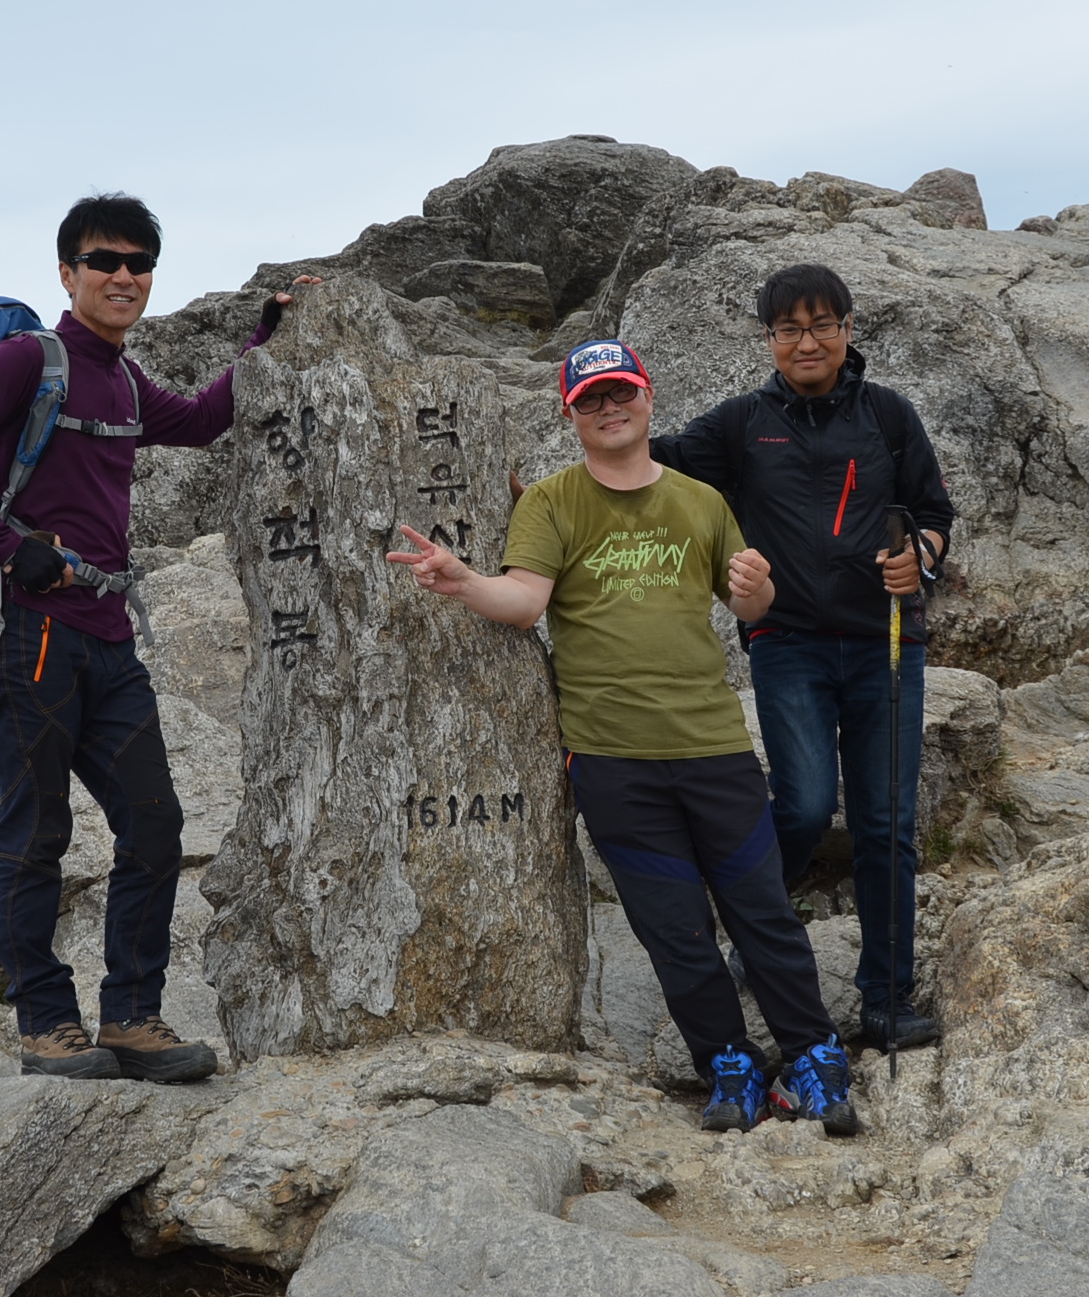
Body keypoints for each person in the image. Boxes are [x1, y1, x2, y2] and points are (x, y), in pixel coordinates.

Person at [388, 338, 857, 1136]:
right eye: (590, 400)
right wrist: (465, 581)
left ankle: (814, 1057)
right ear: (571, 414)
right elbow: (528, 600)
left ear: (647, 396)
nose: (609, 409)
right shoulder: (551, 503)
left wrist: (761, 588)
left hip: (713, 746)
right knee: (672, 927)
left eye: (620, 393)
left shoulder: (701, 501)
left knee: (762, 910)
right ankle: (729, 1066)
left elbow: (748, 610)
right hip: (611, 759)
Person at [0, 193, 313, 1083]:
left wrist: (267, 334)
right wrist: (14, 549)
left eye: (139, 264)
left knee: (155, 824)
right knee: (37, 833)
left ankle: (131, 1017)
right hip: (30, 638)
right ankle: (47, 1027)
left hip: (106, 639)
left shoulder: (125, 380)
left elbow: (206, 422)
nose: (124, 276)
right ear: (68, 273)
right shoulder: (31, 360)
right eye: (105, 261)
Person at [650, 264, 955, 1052]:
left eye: (822, 324)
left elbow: (932, 512)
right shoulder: (742, 425)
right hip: (787, 642)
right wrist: (534, 492)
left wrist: (917, 557)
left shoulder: (889, 415)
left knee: (887, 825)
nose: (807, 341)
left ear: (850, 330)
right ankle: (763, 931)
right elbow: (646, 467)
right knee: (807, 806)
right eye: (790, 329)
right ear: (770, 341)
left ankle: (887, 997)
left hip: (889, 639)